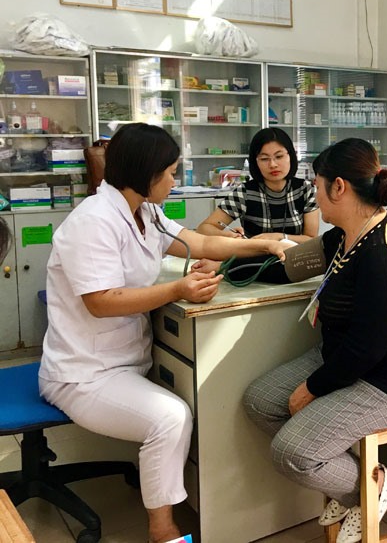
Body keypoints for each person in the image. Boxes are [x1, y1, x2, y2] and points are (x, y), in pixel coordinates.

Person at [37, 123, 287, 543]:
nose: (174, 181)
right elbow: (100, 301)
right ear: (146, 173)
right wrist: (177, 289)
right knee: (170, 417)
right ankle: (163, 531)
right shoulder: (93, 222)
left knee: (179, 407)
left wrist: (263, 244)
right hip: (83, 373)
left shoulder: (145, 212)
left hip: (124, 359)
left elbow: (200, 243)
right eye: (170, 173)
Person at [193, 138, 387, 543]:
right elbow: (291, 266)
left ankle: (369, 489)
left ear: (339, 187)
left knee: (291, 452)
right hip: (348, 357)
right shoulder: (345, 235)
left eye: (317, 184)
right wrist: (225, 266)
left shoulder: (384, 254)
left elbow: (367, 348)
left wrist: (312, 389)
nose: (313, 193)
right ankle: (362, 487)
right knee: (260, 401)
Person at [196, 127, 319, 242]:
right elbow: (204, 228)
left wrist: (280, 237)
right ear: (255, 162)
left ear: (291, 156)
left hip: (294, 256)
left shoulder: (305, 189)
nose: (273, 164)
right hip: (255, 256)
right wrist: (229, 236)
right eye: (264, 159)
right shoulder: (245, 192)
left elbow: (311, 239)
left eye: (279, 156)